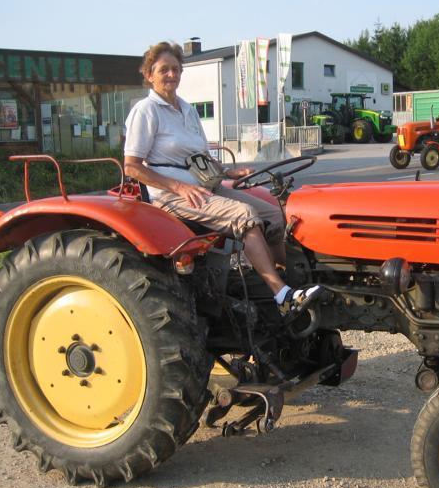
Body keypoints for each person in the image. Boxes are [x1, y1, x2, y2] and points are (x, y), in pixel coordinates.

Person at [123, 41, 323, 318]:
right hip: (172, 195)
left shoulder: (186, 109)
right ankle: (282, 296)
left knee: (275, 214)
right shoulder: (146, 111)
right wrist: (178, 186)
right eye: (164, 70)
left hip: (206, 186)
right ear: (149, 75)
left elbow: (200, 155)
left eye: (176, 69)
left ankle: (286, 279)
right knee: (245, 215)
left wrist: (228, 172)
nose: (171, 75)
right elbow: (132, 167)